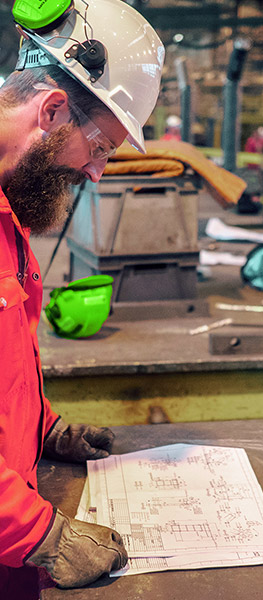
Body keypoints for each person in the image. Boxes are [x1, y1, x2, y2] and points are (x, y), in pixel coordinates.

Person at [0, 0, 164, 597]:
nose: (96, 172)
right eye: (100, 149)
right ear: (51, 110)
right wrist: (38, 538)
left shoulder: (7, 205)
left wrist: (41, 429)